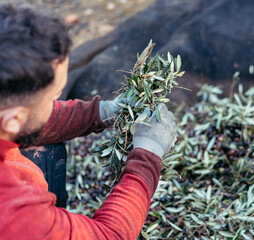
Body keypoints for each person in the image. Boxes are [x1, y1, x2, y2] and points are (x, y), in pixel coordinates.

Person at [0, 4, 177, 239]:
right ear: (13, 120)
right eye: (53, 96)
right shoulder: (14, 209)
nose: (57, 100)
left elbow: (26, 122)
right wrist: (148, 154)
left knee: (46, 150)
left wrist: (102, 112)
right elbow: (109, 235)